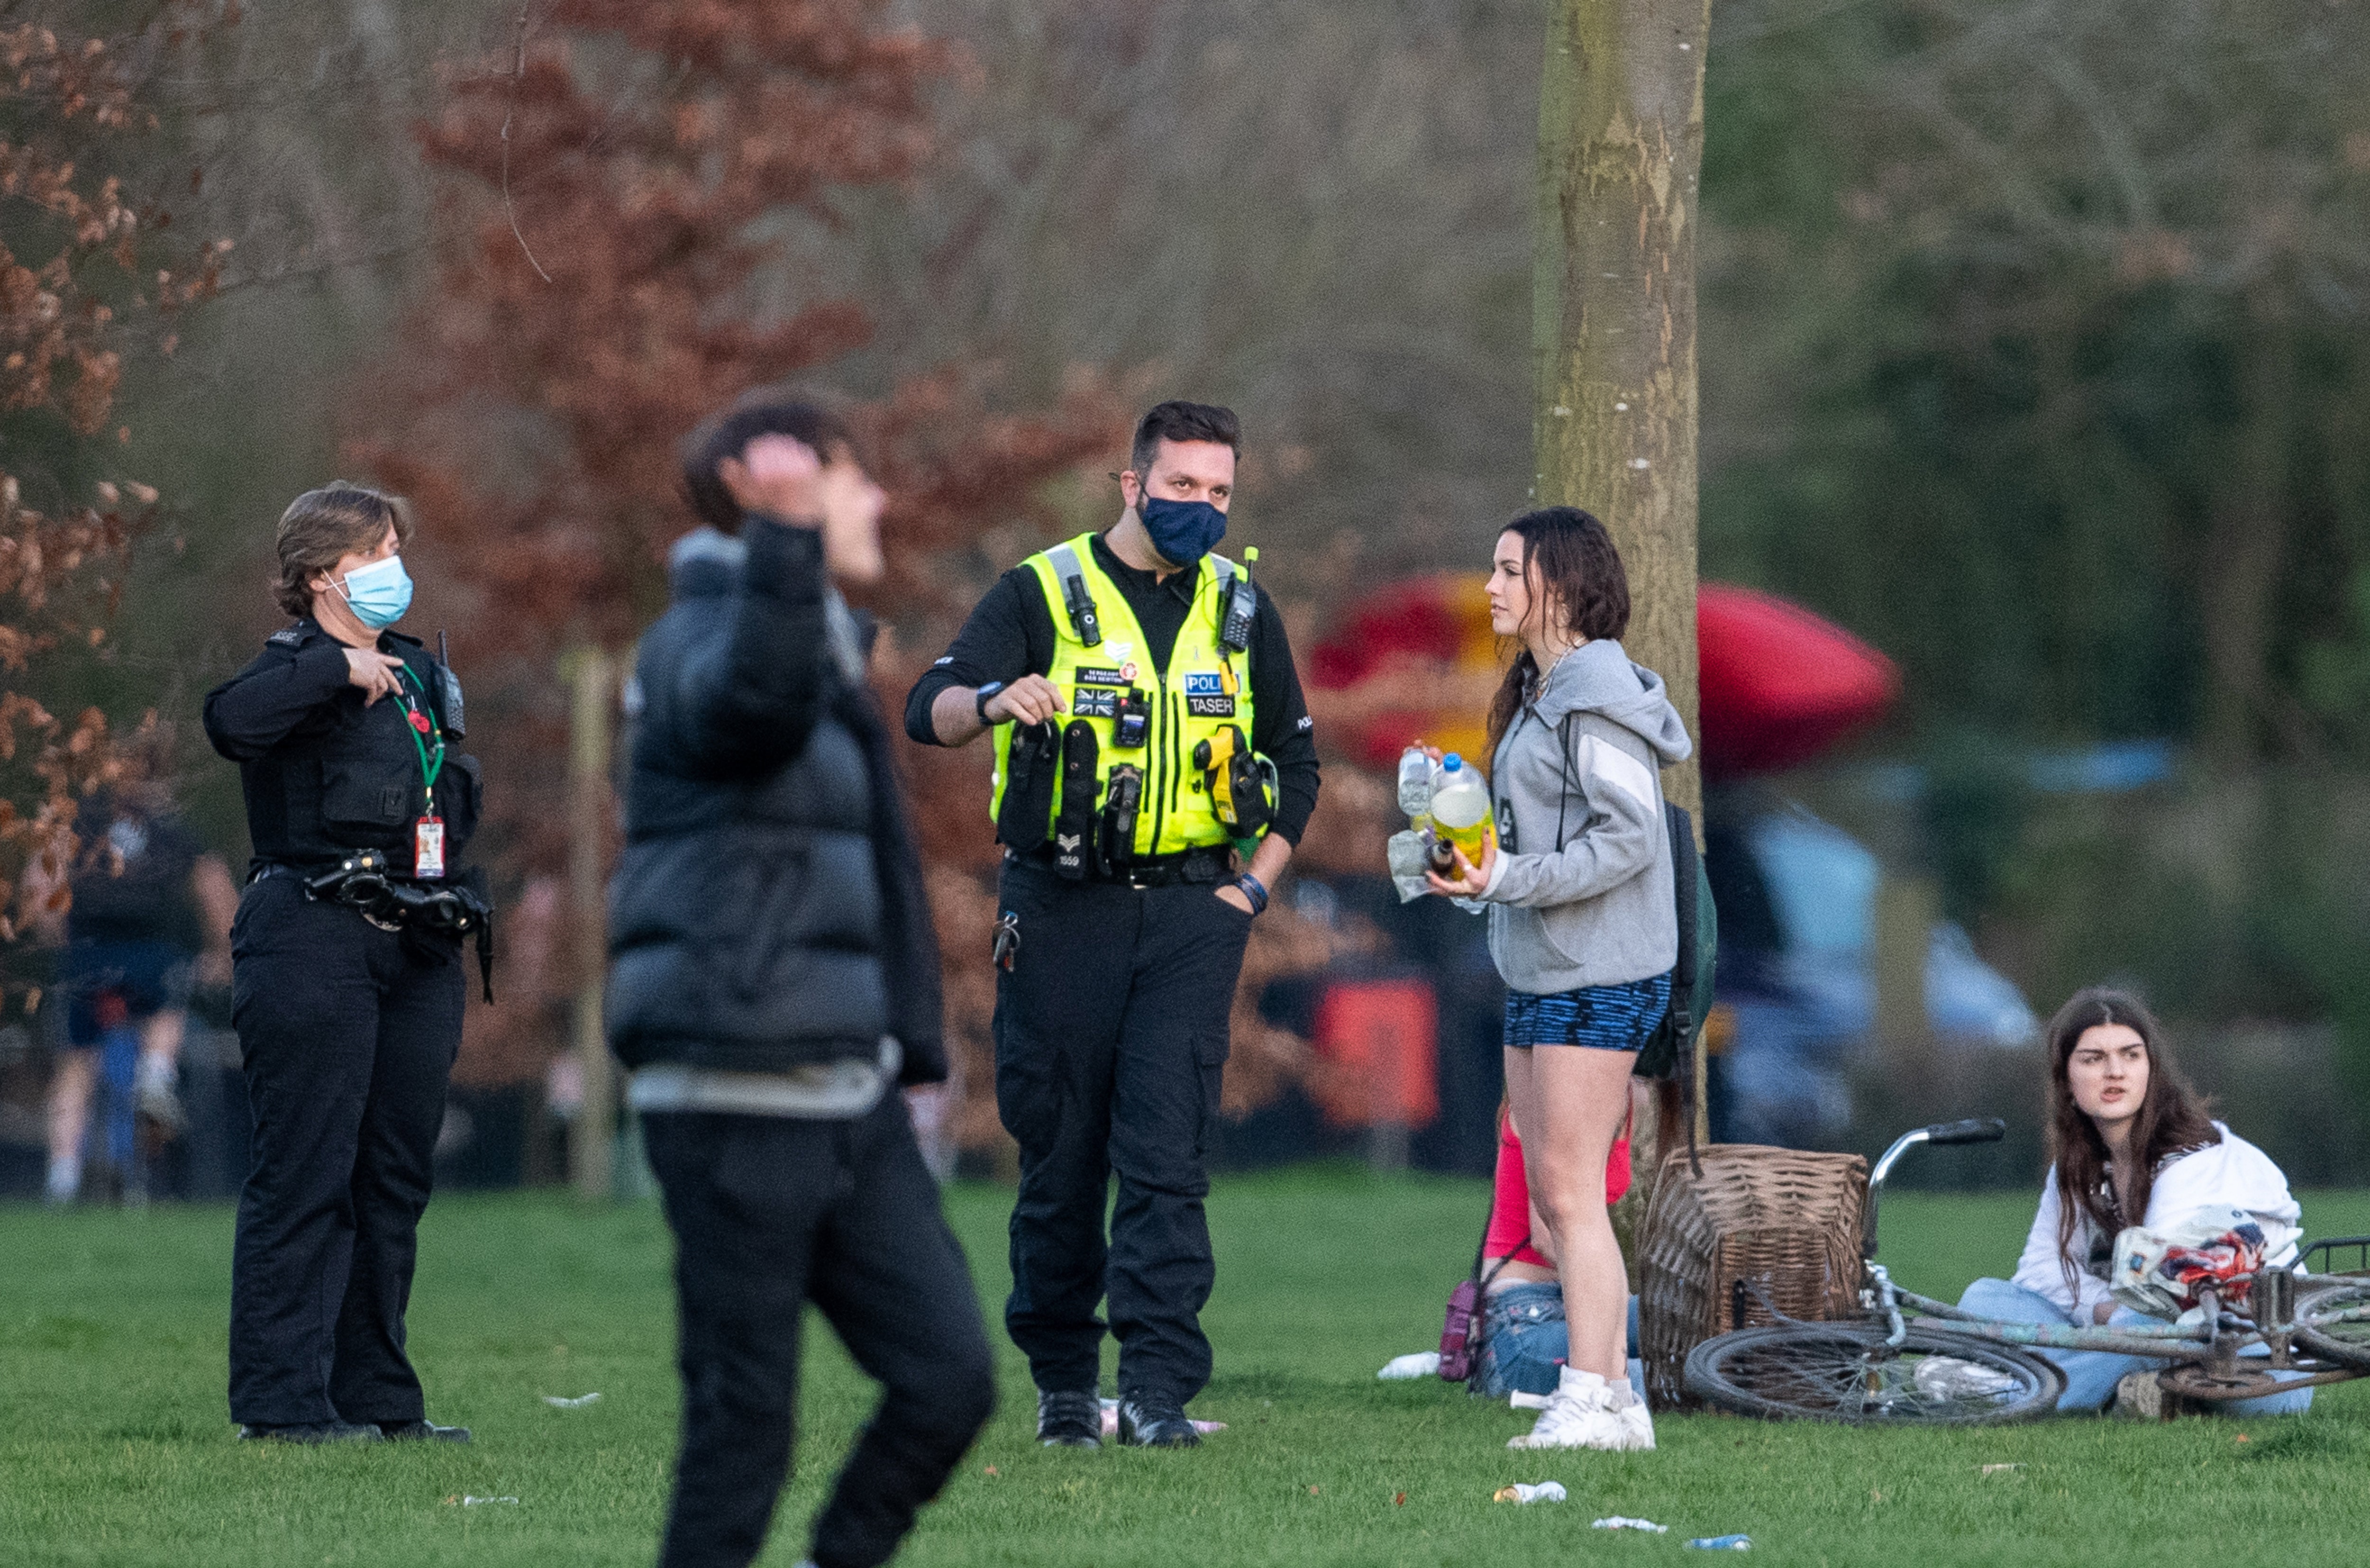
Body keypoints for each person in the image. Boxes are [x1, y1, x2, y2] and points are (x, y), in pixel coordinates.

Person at [609, 390, 994, 1568]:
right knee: (745, 1425)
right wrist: (783, 540)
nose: (874, 497)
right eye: (847, 475)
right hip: (733, 1091)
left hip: (842, 1089)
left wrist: (906, 1048)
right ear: (764, 490)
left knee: (948, 1378)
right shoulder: (696, 640)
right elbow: (748, 706)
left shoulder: (818, 647)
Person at [903, 400, 1322, 1448]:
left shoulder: (1240, 605)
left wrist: (1252, 893)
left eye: (1219, 491)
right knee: (1062, 1153)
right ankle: (1061, 1384)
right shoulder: (1042, 589)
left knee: (1166, 1154)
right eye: (1182, 486)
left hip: (1194, 911)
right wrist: (997, 701)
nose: (1202, 508)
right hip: (1062, 907)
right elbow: (931, 703)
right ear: (1130, 485)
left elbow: (1300, 766)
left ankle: (1157, 1391)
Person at [203, 482, 487, 1445]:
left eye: (398, 546)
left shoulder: (418, 675)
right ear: (323, 573)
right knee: (306, 1172)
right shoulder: (293, 671)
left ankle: (377, 1396)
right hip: (312, 932)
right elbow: (230, 722)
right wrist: (335, 672)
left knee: (393, 1177)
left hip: (415, 944)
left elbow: (443, 801)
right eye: (377, 552)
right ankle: (283, 1403)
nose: (396, 567)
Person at [1426, 506, 1690, 1452]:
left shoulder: (1597, 693)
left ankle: (1594, 1394)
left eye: (1507, 570)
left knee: (1575, 1196)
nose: (1490, 586)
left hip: (1600, 974)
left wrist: (1505, 877)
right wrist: (1463, 862)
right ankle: (1612, 1396)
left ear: (1563, 586)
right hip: (1539, 969)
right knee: (1550, 1195)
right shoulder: (1539, 691)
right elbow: (1530, 851)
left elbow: (1626, 838)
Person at [1954, 987, 2314, 1417]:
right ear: (2067, 1080)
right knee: (1985, 1300)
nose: (2115, 1072)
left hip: (2260, 1372)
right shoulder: (2077, 1166)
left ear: (2152, 1070)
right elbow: (2039, 1270)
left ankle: (2017, 1395)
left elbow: (2168, 1302)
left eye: (2130, 1055)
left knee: (2148, 1328)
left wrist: (2115, 1321)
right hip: (2153, 1340)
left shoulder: (2194, 1159)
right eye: (2093, 1059)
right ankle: (2128, 1391)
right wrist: (2104, 1309)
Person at [42, 782, 237, 1205]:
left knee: (76, 1069)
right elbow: (214, 887)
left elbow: (43, 881)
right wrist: (223, 954)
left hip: (89, 954)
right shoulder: (170, 828)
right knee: (166, 1011)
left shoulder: (81, 824)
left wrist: (59, 945)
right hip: (152, 954)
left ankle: (61, 1180)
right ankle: (156, 1073)